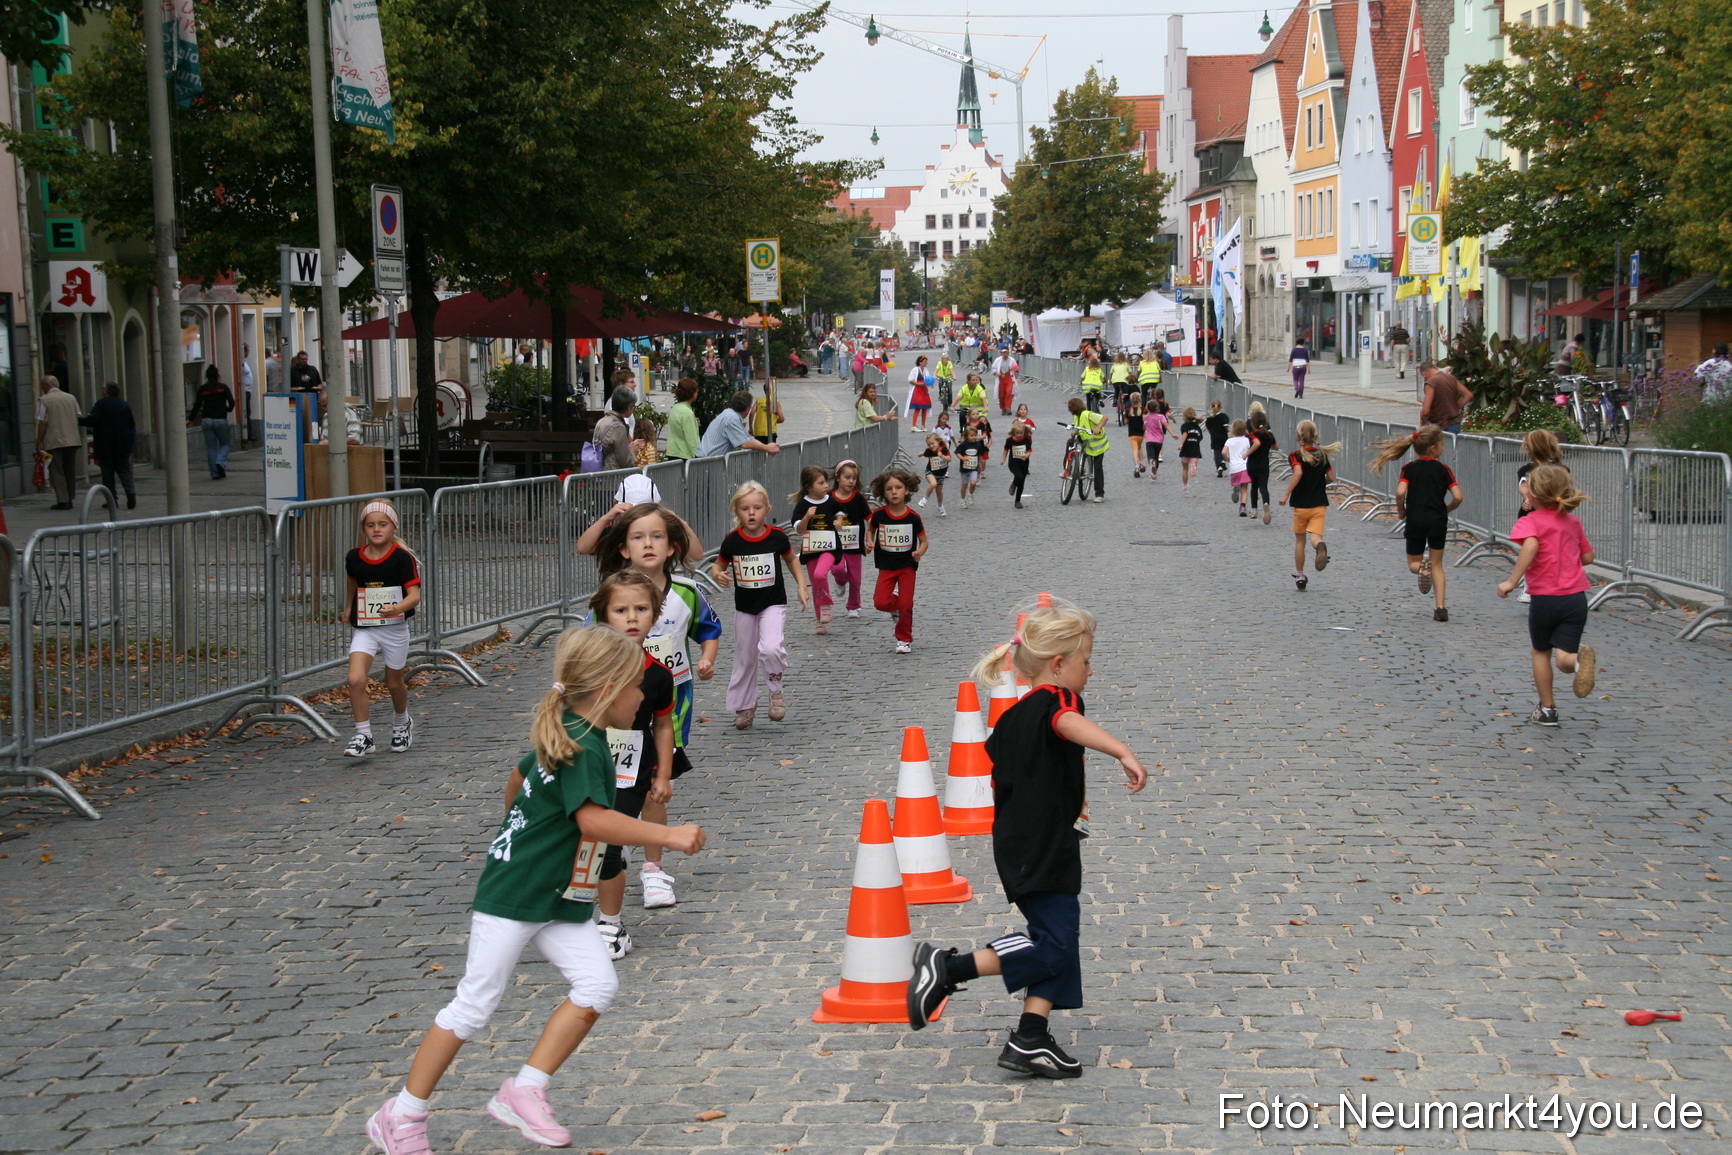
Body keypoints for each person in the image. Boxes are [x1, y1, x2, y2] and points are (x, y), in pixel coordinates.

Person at [363, 627, 705, 1155]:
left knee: (596, 986)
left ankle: (524, 1090)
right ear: (609, 689)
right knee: (474, 1006)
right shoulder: (584, 743)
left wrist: (519, 827)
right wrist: (669, 836)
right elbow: (593, 820)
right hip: (518, 892)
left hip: (561, 895)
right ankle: (401, 1114)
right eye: (637, 687)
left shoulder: (574, 727)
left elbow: (519, 775)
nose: (643, 697)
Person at [906, 597, 1147, 1078]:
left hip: (1020, 844)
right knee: (1054, 944)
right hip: (1043, 847)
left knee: (1059, 939)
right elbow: (1066, 722)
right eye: (1086, 661)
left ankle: (1031, 1037)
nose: (1090, 671)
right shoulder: (1058, 700)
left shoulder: (1015, 715)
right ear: (1057, 665)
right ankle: (949, 968)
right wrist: (1121, 750)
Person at [585, 572, 676, 960]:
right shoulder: (587, 667)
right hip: (587, 765)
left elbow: (663, 725)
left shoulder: (658, 674)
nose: (632, 618)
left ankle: (611, 924)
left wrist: (663, 774)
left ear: (655, 615)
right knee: (587, 842)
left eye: (641, 609)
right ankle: (576, 912)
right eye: (621, 610)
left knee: (607, 843)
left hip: (631, 769)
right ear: (604, 616)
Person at [1496, 465, 1598, 726]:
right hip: (1575, 598)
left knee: (1541, 651)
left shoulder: (1529, 521)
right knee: (1564, 657)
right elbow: (1588, 557)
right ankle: (1577, 662)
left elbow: (1531, 545)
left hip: (1545, 598)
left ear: (1532, 494)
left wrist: (1512, 581)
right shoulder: (1572, 521)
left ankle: (1547, 709)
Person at [713, 481, 808, 730]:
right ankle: (745, 705)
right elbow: (718, 564)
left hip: (773, 603)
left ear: (767, 509)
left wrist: (801, 586)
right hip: (745, 607)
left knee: (771, 648)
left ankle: (775, 691)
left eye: (757, 508)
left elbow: (792, 560)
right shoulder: (732, 541)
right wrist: (717, 574)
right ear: (736, 511)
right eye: (745, 508)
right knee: (745, 657)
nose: (751, 513)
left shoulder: (776, 537)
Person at [338, 501, 421, 758]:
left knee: (393, 682)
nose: (376, 529)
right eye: (370, 525)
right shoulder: (354, 556)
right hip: (366, 628)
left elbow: (414, 596)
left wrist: (396, 608)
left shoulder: (401, 558)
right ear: (363, 528)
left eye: (382, 524)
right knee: (355, 679)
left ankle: (402, 721)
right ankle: (363, 735)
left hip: (394, 628)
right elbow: (353, 581)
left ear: (393, 527)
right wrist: (348, 607)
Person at [1371, 425, 1463, 622]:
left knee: (1414, 562)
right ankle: (1440, 607)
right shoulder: (1443, 469)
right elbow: (1458, 496)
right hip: (1437, 520)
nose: (1443, 448)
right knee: (1437, 565)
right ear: (1433, 447)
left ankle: (1422, 568)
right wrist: (1447, 509)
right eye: (1442, 444)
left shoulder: (1409, 469)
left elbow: (1400, 492)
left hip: (1415, 519)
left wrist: (1401, 509)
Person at [866, 468, 927, 654]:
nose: (894, 492)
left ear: (906, 490)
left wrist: (919, 552)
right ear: (883, 493)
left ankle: (904, 639)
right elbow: (870, 531)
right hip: (886, 566)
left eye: (898, 487)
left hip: (907, 566)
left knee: (906, 604)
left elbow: (924, 541)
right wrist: (869, 541)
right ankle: (896, 607)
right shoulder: (879, 515)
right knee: (880, 602)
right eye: (889, 489)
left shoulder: (913, 517)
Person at [1279, 420, 1339, 590]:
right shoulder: (1322, 455)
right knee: (1315, 538)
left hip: (1301, 505)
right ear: (1315, 436)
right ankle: (1320, 547)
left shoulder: (1295, 455)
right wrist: (1320, 484)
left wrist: (1286, 494)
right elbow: (1331, 477)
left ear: (1298, 437)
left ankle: (1300, 575)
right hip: (1319, 504)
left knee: (1300, 541)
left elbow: (1298, 473)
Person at [791, 466, 843, 634]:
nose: (826, 485)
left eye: (826, 481)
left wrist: (839, 521)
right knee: (815, 584)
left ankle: (826, 604)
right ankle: (821, 620)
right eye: (821, 483)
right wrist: (806, 517)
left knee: (820, 575)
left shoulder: (830, 501)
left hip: (829, 547)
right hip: (811, 549)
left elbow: (839, 512)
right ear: (809, 486)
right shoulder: (803, 505)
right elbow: (798, 529)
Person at [80, 383, 137, 509]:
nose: (102, 390)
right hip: (123, 444)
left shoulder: (102, 404)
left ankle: (112, 500)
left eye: (104, 388)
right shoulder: (124, 404)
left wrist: (78, 419)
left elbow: (92, 420)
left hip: (105, 444)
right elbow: (132, 424)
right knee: (124, 471)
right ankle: (130, 493)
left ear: (107, 391)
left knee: (107, 473)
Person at [35, 376, 83, 510]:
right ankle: (70, 497)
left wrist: (39, 441)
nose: (42, 388)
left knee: (57, 470)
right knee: (69, 470)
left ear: (46, 386)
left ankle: (63, 500)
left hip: (54, 440)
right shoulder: (71, 398)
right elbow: (78, 415)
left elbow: (43, 422)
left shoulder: (44, 400)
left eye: (42, 385)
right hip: (72, 440)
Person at [697, 390, 781, 457]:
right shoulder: (732, 419)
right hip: (707, 461)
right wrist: (767, 447)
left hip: (707, 460)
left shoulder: (729, 414)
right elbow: (745, 443)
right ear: (747, 408)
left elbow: (747, 438)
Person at [188, 365, 237, 480]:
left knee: (211, 447)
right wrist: (228, 409)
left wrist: (190, 419)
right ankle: (220, 462)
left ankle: (214, 473)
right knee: (225, 444)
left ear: (207, 376)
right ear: (217, 375)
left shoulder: (202, 389)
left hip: (207, 420)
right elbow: (232, 402)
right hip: (221, 419)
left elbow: (197, 405)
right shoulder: (223, 387)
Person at [1065, 396, 1109, 503]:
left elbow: (1104, 418)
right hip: (1087, 441)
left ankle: (1099, 494)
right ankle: (1067, 468)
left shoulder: (1088, 414)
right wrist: (1075, 432)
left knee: (1098, 467)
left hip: (1098, 445)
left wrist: (1098, 428)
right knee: (1070, 442)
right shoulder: (1076, 417)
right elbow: (1080, 427)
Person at [1418, 361, 1473, 434]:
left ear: (1424, 373)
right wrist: (1456, 408)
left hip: (1441, 425)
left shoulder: (1431, 382)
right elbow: (1468, 395)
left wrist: (1424, 420)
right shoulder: (1451, 377)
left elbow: (1426, 411)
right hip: (1455, 423)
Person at [1245, 412, 1277, 523]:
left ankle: (1254, 509)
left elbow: (1250, 446)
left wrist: (1246, 454)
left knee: (1254, 486)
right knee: (1263, 487)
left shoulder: (1251, 435)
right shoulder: (1269, 435)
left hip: (1252, 464)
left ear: (1252, 424)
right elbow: (1276, 447)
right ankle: (1266, 504)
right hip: (1264, 465)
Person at [955, 413, 990, 509]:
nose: (974, 437)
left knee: (973, 483)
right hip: (964, 468)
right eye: (971, 435)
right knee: (964, 485)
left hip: (974, 468)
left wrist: (980, 465)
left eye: (975, 435)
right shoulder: (963, 444)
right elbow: (957, 453)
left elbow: (979, 455)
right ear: (966, 436)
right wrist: (963, 458)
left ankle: (970, 495)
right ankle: (962, 499)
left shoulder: (977, 445)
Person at [1002, 413, 1033, 509]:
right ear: (1013, 432)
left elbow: (1029, 450)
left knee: (1022, 482)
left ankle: (1017, 501)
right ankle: (1013, 484)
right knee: (1018, 476)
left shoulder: (1026, 440)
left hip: (1024, 463)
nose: (1019, 435)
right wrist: (1003, 459)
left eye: (1021, 433)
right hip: (1013, 463)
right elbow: (1006, 449)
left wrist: (1026, 456)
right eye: (1017, 433)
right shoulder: (1009, 440)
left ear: (1024, 432)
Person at [664, 379, 700, 461]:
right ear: (692, 393)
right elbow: (691, 439)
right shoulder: (687, 413)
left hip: (673, 452)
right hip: (685, 455)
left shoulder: (675, 408)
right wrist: (697, 456)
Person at [918, 432, 951, 516]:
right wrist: (920, 454)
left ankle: (940, 506)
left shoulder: (944, 449)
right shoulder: (929, 451)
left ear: (938, 441)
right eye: (929, 445)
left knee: (939, 491)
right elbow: (925, 453)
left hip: (941, 473)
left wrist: (942, 456)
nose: (931, 446)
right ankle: (924, 499)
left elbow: (949, 459)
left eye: (932, 443)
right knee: (933, 484)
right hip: (930, 471)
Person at [1225, 420, 1253, 515]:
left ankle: (1234, 489)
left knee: (1234, 483)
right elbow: (1250, 451)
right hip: (1245, 467)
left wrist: (1227, 458)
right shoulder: (1246, 440)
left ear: (1232, 430)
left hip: (1234, 467)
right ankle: (1243, 507)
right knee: (1244, 489)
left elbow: (1223, 452)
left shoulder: (1229, 441)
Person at [1176, 406, 1203, 493]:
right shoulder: (1197, 426)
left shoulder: (1184, 426)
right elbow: (1200, 437)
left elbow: (1185, 434)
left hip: (1186, 448)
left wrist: (1181, 444)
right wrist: (1196, 440)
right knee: (1194, 460)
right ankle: (1193, 465)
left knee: (1185, 468)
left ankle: (1185, 485)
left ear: (1185, 417)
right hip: (1195, 447)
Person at [1143, 400, 1169, 482]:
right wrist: (1173, 434)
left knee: (1150, 456)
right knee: (1156, 457)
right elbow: (1166, 425)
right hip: (1159, 440)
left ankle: (1151, 462)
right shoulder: (1161, 416)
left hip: (1149, 439)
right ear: (1157, 408)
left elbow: (1144, 427)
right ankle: (1154, 475)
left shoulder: (1146, 417)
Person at [1204, 399, 1230, 478]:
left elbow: (1209, 429)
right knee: (1223, 451)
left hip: (1214, 438)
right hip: (1223, 437)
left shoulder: (1209, 419)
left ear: (1211, 407)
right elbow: (1226, 426)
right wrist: (1228, 431)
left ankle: (1219, 467)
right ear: (1221, 407)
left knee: (1217, 453)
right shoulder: (1224, 416)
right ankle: (1223, 462)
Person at [906, 355, 933, 431]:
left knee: (925, 408)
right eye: (925, 361)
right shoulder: (915, 369)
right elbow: (910, 380)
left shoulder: (925, 370)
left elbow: (928, 379)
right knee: (917, 408)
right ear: (920, 362)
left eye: (926, 361)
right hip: (917, 390)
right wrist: (919, 384)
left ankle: (923, 425)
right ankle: (914, 425)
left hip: (924, 390)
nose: (926, 363)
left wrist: (930, 384)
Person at [1126, 393, 1146, 478]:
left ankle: (1137, 467)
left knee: (1135, 450)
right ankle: (1141, 463)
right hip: (1140, 434)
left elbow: (1125, 421)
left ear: (1131, 400)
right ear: (1140, 400)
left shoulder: (1128, 410)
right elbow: (1145, 421)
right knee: (1139, 448)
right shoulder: (1142, 410)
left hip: (1132, 434)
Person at [993, 348, 1019, 416]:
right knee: (1001, 394)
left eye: (1006, 353)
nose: (1005, 354)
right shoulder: (997, 360)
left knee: (1008, 392)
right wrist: (996, 373)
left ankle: (1008, 408)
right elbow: (993, 368)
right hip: (1001, 377)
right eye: (1004, 353)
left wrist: (1015, 370)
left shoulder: (1012, 360)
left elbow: (1016, 368)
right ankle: (1003, 408)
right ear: (1001, 353)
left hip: (1009, 377)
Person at [239, 345, 256, 440]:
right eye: (247, 351)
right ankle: (248, 434)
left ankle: (249, 434)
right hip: (245, 391)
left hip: (248, 390)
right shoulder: (241, 363)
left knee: (248, 412)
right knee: (246, 412)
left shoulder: (245, 362)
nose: (248, 353)